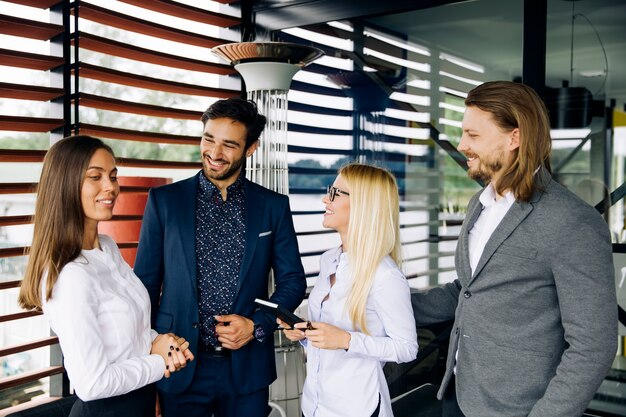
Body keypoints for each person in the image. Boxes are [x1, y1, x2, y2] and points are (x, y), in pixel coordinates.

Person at [411, 81, 617, 417]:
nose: (462, 145)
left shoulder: (572, 221)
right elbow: (468, 291)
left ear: (514, 138)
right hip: (458, 395)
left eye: (473, 135)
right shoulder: (479, 205)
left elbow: (594, 346)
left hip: (520, 410)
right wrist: (380, 304)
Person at [134, 98, 307, 417]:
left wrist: (257, 324)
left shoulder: (273, 206)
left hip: (248, 370)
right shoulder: (164, 202)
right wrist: (148, 358)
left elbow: (293, 279)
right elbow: (144, 287)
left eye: (229, 145)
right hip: (179, 366)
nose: (214, 153)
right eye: (208, 139)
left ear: (250, 148)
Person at [17, 135, 194, 417]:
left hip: (139, 403)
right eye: (95, 177)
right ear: (66, 185)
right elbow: (92, 384)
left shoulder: (107, 247)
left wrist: (159, 341)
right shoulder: (70, 275)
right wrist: (159, 361)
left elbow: (126, 330)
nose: (110, 187)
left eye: (113, 176)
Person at [280, 163, 418, 417]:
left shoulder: (385, 276)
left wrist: (346, 340)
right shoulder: (328, 260)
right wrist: (305, 334)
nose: (325, 199)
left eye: (334, 193)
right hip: (313, 406)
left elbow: (407, 348)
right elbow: (328, 337)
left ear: (363, 205)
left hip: (356, 408)